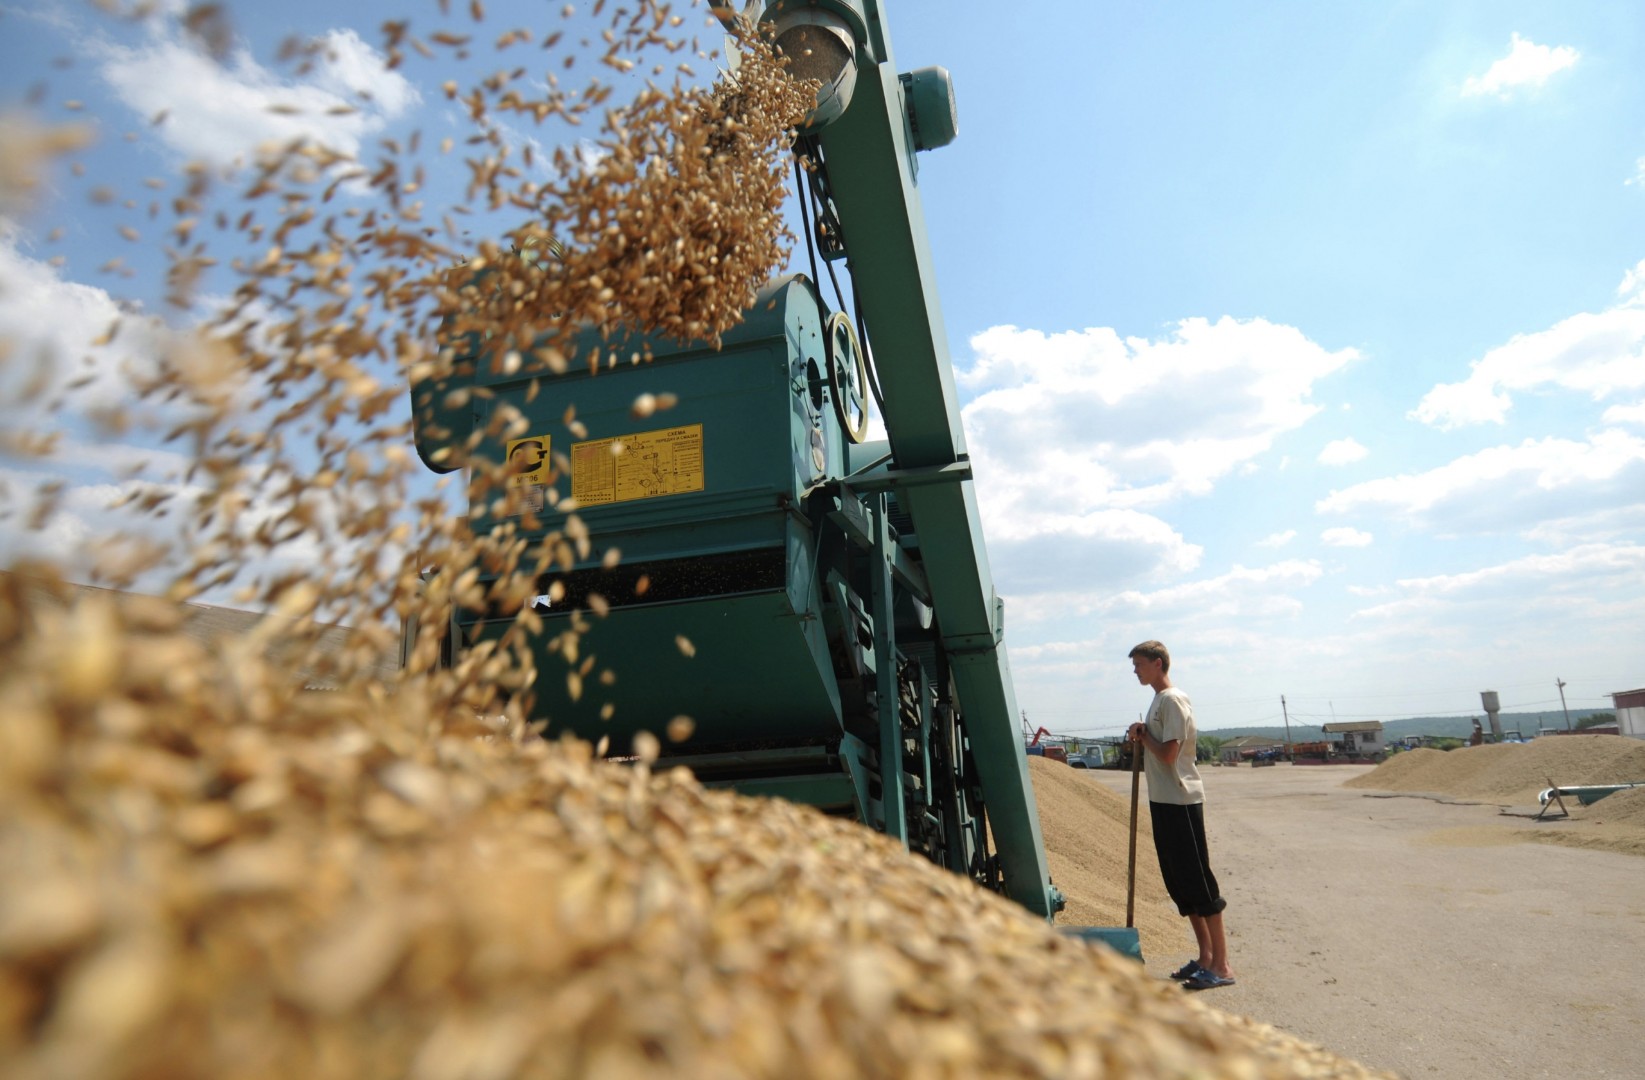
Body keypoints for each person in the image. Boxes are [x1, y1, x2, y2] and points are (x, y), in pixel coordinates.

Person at [1127, 639, 1236, 991]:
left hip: (1182, 800)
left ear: (1158, 663)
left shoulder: (1172, 699)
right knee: (1180, 883)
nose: (1136, 670)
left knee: (1198, 882)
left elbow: (1170, 754)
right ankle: (1204, 958)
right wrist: (1143, 734)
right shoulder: (1158, 701)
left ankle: (1221, 966)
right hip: (1163, 800)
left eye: (1140, 664)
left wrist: (1145, 740)